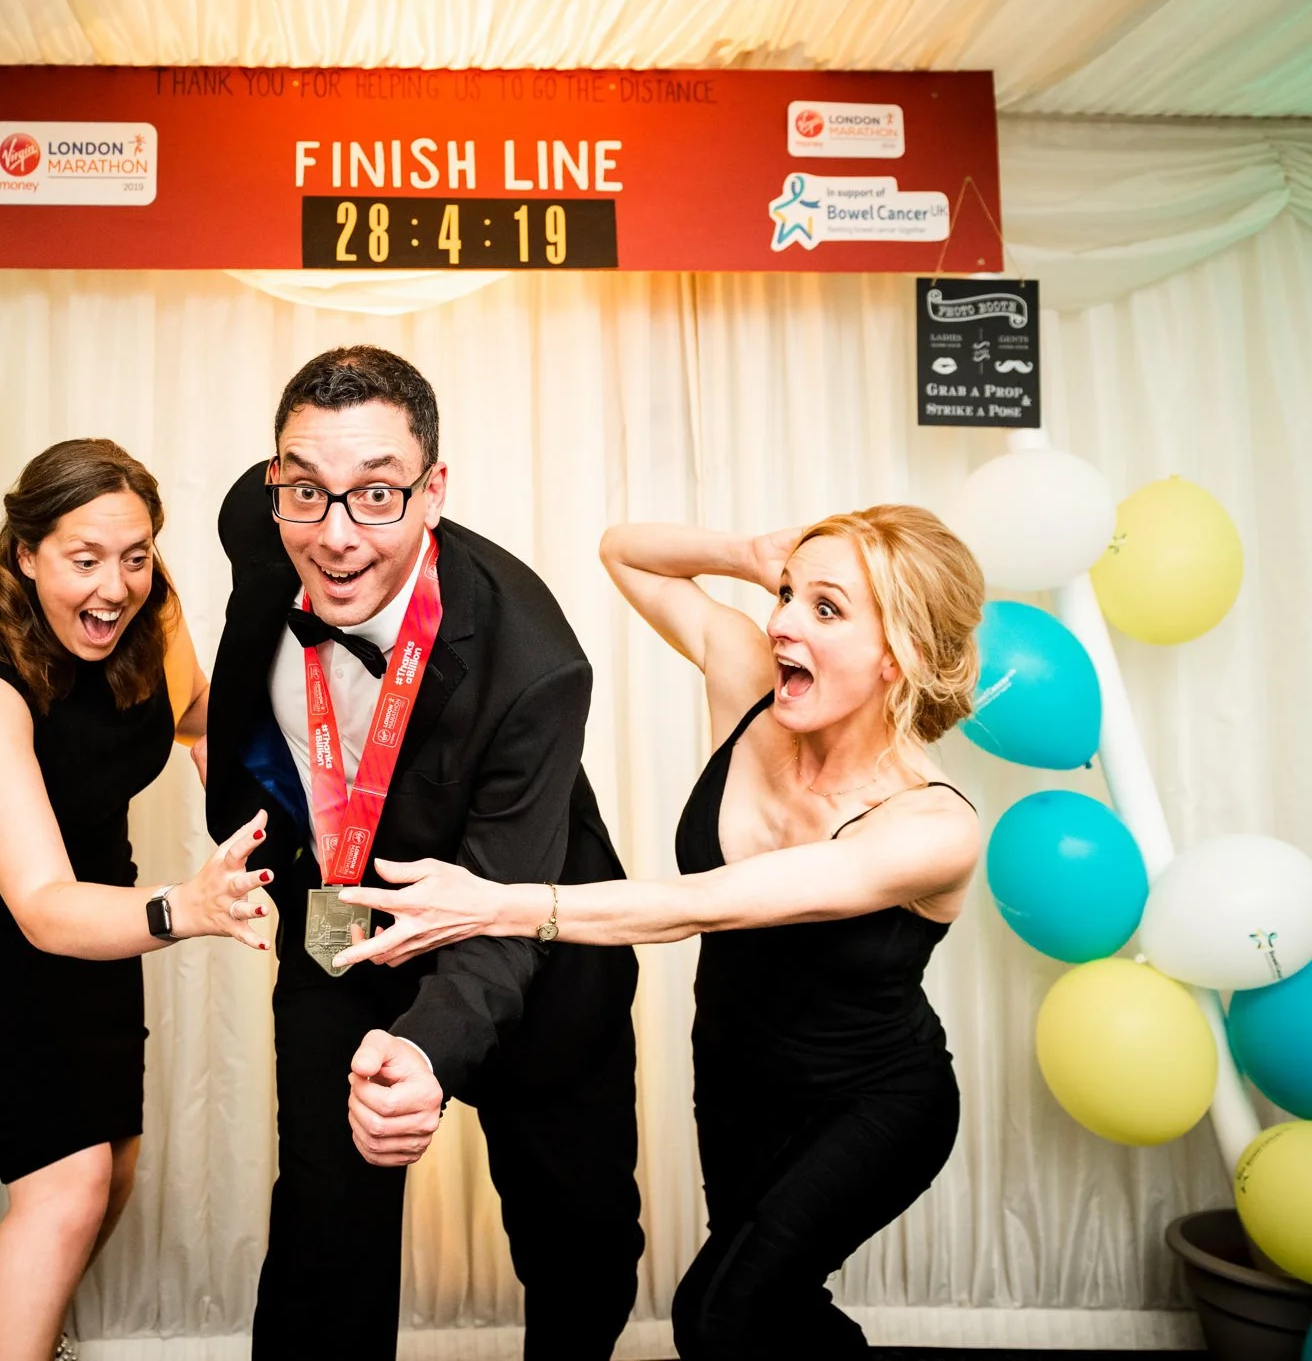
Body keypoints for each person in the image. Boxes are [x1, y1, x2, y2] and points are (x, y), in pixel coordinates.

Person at [336, 507, 987, 1358]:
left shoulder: (930, 827)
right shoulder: (754, 679)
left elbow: (705, 905)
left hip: (870, 1102)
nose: (782, 620)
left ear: (896, 654)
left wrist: (495, 903)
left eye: (826, 610)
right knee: (772, 1310)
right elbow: (625, 554)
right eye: (788, 595)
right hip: (735, 1081)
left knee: (716, 1315)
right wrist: (748, 554)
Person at [202, 346, 643, 1361]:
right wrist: (246, 813)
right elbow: (244, 679)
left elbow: (499, 908)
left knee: (579, 1248)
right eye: (306, 492)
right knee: (324, 1236)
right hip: (342, 923)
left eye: (378, 496)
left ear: (433, 490)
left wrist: (426, 1053)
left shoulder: (534, 665)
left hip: (528, 941)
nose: (337, 536)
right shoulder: (264, 522)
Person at [0, 438, 272, 1361]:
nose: (115, 586)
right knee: (65, 1181)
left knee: (112, 1170)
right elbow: (39, 903)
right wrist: (188, 909)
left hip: (97, 914)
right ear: (24, 553)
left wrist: (263, 839)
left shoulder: (150, 611)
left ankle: (30, 1337)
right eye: (84, 560)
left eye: (135, 556)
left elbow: (201, 723)